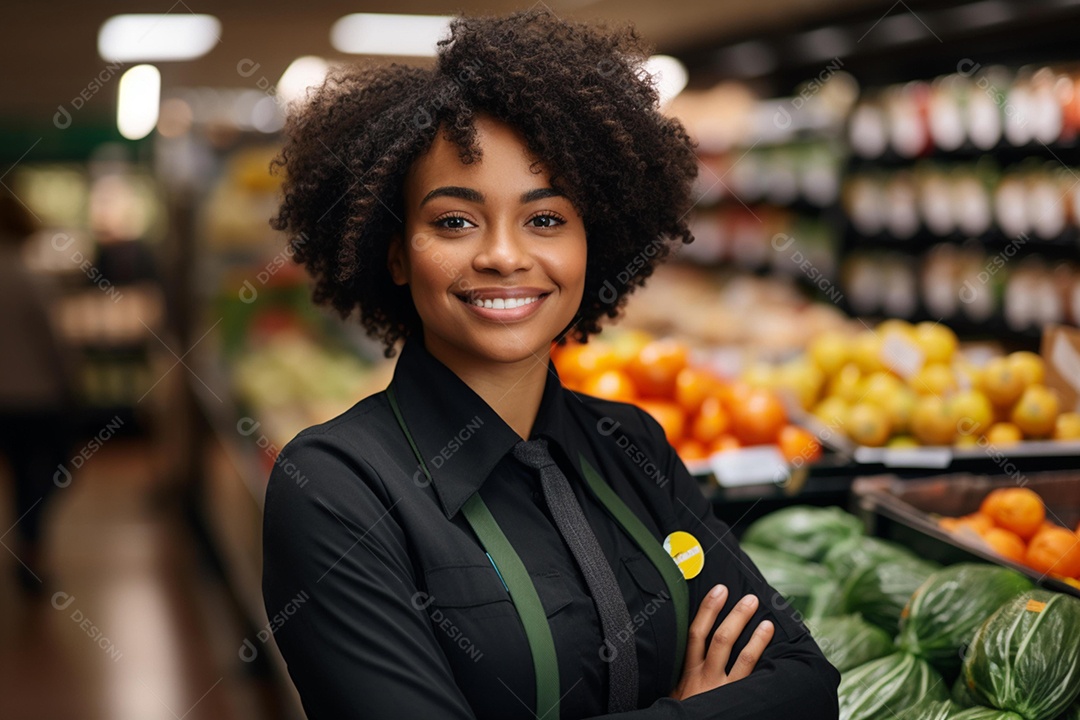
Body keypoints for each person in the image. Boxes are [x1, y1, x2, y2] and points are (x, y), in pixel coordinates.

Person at [261, 10, 840, 720]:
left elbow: (806, 682)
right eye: (454, 221)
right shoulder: (334, 488)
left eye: (545, 219)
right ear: (394, 251)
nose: (504, 255)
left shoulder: (633, 445)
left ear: (592, 242)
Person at [0, 193, 75, 593]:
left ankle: (27, 547)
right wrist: (72, 380)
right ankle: (30, 546)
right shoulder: (29, 277)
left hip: (6, 400)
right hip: (39, 396)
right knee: (54, 472)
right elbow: (54, 341)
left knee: (20, 477)